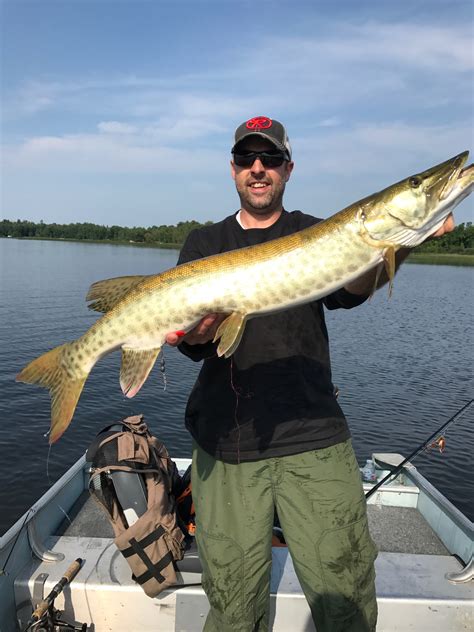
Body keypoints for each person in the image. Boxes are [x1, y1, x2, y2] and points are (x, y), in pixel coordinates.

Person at [166, 116, 454, 632]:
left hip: (314, 439)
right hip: (226, 443)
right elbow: (191, 344)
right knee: (232, 608)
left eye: (270, 159)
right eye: (247, 159)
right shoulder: (204, 244)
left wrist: (408, 238)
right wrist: (193, 332)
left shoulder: (314, 233)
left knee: (344, 599)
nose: (258, 169)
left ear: (288, 169)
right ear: (232, 169)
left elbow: (353, 289)